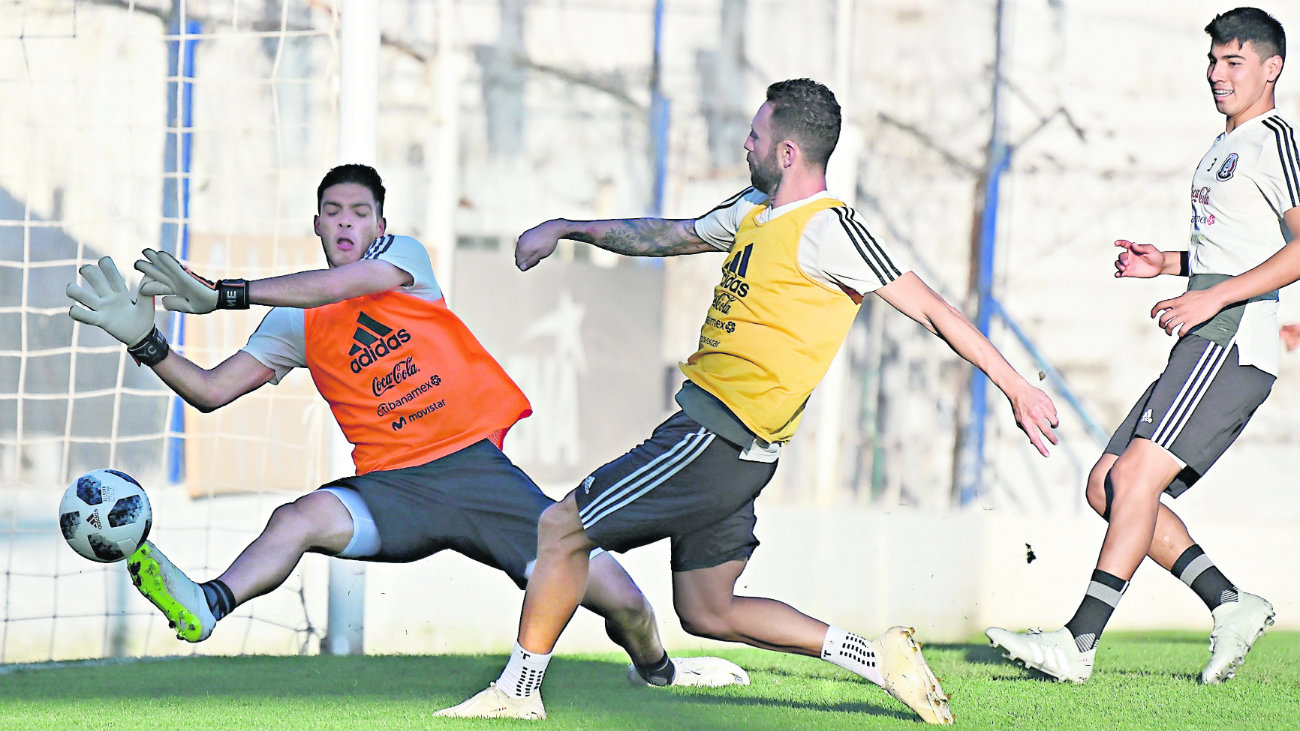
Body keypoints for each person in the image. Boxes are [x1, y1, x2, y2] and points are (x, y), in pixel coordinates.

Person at [436, 79, 1060, 725]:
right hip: (734, 448)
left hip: (715, 438)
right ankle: (876, 659)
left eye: (756, 135)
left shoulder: (830, 229)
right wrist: (570, 227)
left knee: (561, 526)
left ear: (788, 151)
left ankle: (519, 688)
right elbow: (667, 235)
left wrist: (1015, 384)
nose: (746, 143)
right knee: (708, 609)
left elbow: (931, 308)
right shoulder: (755, 211)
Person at [64, 163, 750, 693]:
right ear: (316, 224)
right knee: (296, 518)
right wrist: (145, 340)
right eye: (332, 212)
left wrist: (225, 293)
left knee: (624, 599)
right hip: (395, 491)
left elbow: (343, 286)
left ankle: (658, 670)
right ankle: (208, 603)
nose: (345, 223)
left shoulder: (405, 262)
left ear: (380, 223)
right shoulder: (292, 321)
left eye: (358, 212)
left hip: (480, 478)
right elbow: (212, 391)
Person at [987, 7, 1297, 685]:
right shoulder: (1226, 144)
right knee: (1107, 483)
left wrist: (1213, 296)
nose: (1217, 74)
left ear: (1272, 68)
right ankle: (1229, 602)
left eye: (1233, 62)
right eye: (1213, 60)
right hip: (1207, 335)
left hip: (1230, 338)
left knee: (1131, 479)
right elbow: (1236, 248)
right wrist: (1169, 264)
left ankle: (1079, 641)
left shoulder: (1273, 140)